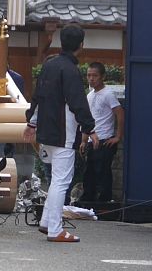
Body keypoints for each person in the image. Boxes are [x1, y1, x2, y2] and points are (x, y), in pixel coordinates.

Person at [23, 24, 97, 243]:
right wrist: (90, 128)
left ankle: (47, 222)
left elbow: (38, 97)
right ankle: (55, 228)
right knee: (61, 181)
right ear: (81, 45)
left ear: (60, 42)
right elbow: (78, 102)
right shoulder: (70, 70)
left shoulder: (49, 65)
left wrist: (32, 122)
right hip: (64, 133)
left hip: (46, 131)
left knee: (55, 179)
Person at [81, 62, 124, 203]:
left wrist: (118, 136)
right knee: (89, 173)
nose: (91, 79)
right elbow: (88, 119)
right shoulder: (90, 95)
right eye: (89, 75)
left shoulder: (108, 94)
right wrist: (83, 140)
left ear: (102, 76)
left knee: (103, 172)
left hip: (105, 139)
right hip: (91, 139)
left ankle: (105, 201)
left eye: (95, 75)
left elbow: (119, 112)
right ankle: (88, 200)